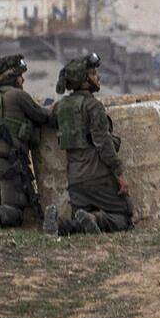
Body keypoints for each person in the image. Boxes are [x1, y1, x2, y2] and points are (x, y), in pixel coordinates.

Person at [52, 54, 132, 235]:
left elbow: (47, 118)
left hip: (75, 182)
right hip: (98, 178)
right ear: (84, 80)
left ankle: (62, 225)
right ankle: (95, 219)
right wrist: (120, 176)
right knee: (124, 217)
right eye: (94, 73)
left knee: (78, 221)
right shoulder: (93, 106)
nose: (98, 77)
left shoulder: (60, 107)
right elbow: (104, 144)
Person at [0, 54, 52, 230]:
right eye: (20, 76)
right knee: (15, 212)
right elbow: (43, 116)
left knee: (1, 203)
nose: (23, 79)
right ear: (11, 78)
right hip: (7, 164)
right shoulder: (18, 96)